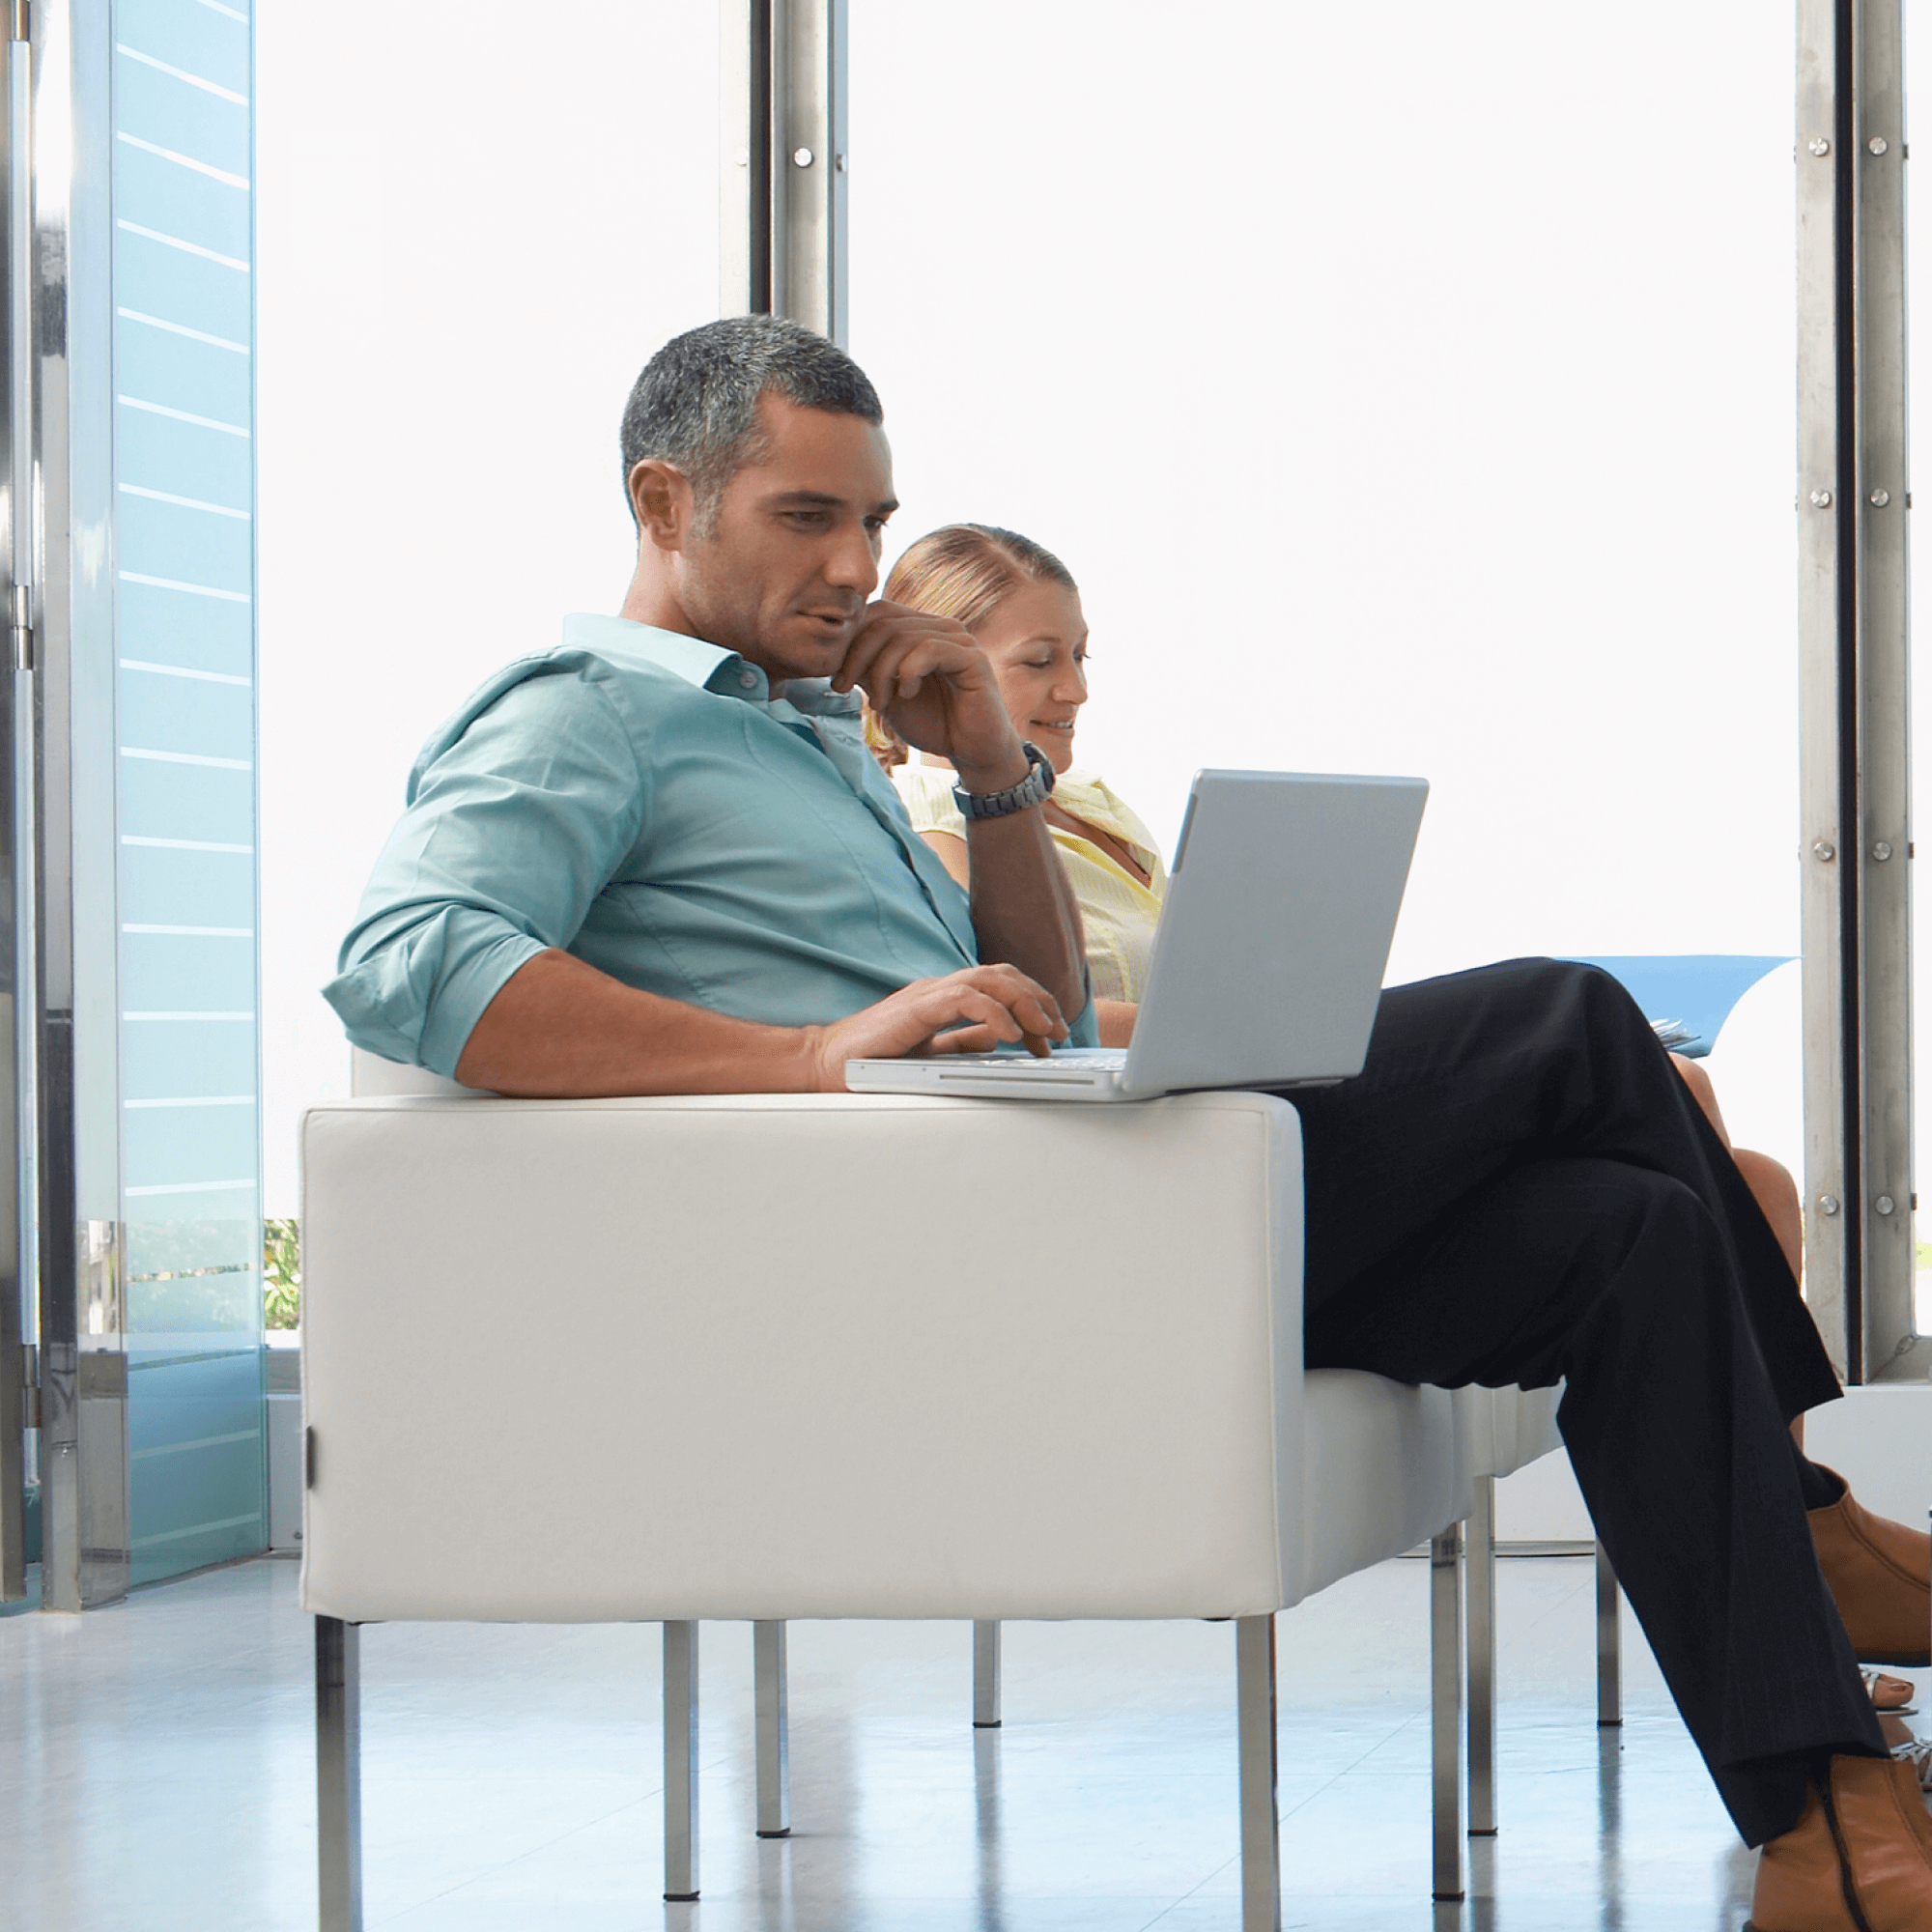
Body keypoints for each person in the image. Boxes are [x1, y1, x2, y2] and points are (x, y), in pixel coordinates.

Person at [327, 315, 1932, 1927]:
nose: (852, 564)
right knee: (1572, 1016)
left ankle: (1826, 1830)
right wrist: (815, 1053)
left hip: (1062, 1217)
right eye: (803, 517)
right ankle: (1812, 1530)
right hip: (977, 1248)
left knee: (1628, 1234)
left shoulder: (804, 737)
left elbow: (1024, 986)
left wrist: (991, 766)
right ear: (666, 503)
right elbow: (406, 965)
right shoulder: (584, 710)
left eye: (873, 522)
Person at [869, 520, 1925, 1719]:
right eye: (1038, 660)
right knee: (1579, 1016)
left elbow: (1203, 990)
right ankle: (1804, 1530)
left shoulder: (1095, 808)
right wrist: (1268, 1030)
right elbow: (1037, 1018)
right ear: (947, 673)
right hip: (1179, 1193)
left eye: (1081, 655)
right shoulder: (936, 831)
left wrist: (1288, 1016)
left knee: (1665, 1186)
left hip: (1256, 1127)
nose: (1073, 688)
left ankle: (1796, 1587)